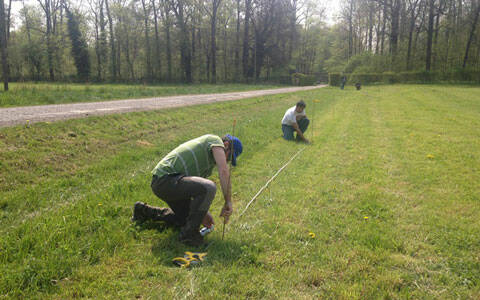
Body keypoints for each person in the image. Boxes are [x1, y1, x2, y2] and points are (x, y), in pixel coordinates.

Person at [132, 134, 243, 246]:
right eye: (229, 157)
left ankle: (144, 211)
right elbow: (223, 171)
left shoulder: (207, 167)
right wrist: (228, 201)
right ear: (226, 145)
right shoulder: (215, 141)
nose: (227, 161)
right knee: (209, 187)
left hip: (169, 183)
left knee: (186, 221)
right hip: (165, 179)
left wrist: (203, 214)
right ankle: (189, 236)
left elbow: (196, 192)